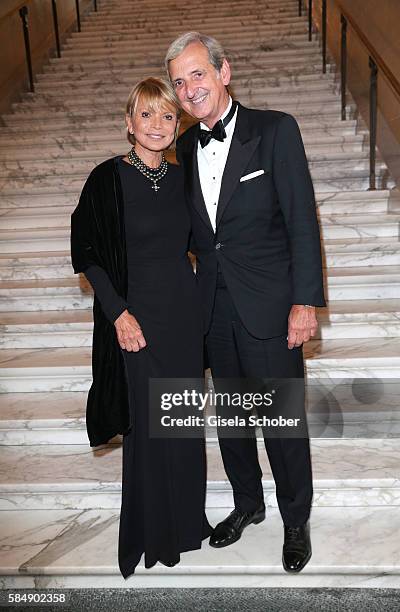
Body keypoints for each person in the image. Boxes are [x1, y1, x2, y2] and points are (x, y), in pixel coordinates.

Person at [165, 32, 326, 573]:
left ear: (223, 72)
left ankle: (295, 519)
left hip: (271, 304)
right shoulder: (183, 149)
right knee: (233, 420)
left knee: (281, 422)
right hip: (212, 306)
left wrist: (305, 302)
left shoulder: (276, 130)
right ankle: (248, 504)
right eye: (179, 82)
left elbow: (303, 219)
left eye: (198, 75)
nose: (190, 90)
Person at [70, 77, 212, 578]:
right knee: (148, 429)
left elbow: (206, 242)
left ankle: (188, 522)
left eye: (168, 116)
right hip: (137, 319)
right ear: (129, 123)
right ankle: (153, 531)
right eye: (146, 115)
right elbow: (87, 254)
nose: (157, 125)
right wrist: (118, 315)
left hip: (182, 315)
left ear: (179, 124)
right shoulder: (106, 178)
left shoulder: (182, 179)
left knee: (182, 422)